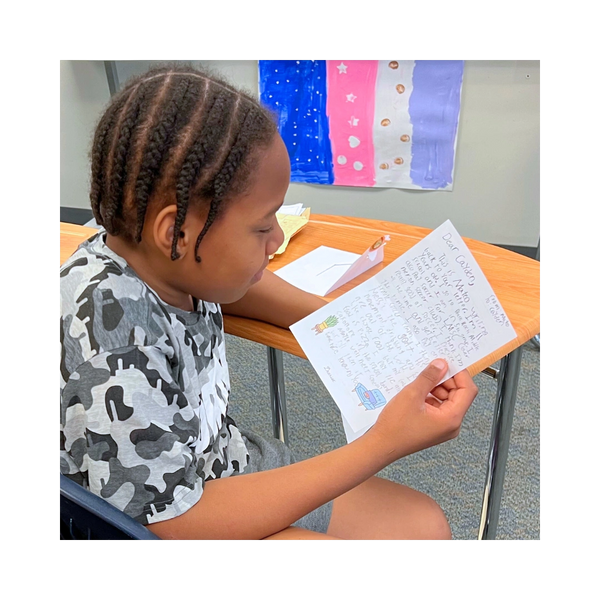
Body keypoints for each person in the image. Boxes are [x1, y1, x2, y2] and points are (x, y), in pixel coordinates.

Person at [57, 64, 478, 542]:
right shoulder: (114, 338)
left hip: (223, 464)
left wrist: (343, 323)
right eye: (262, 226)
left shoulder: (158, 255)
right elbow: (172, 522)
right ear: (176, 232)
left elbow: (244, 285)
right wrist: (385, 443)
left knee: (423, 527)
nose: (278, 238)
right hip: (174, 519)